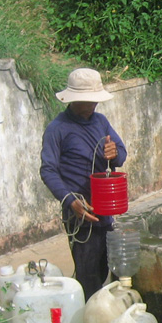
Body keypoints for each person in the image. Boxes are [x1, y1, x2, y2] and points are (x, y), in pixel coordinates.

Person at [40, 68, 127, 300]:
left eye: (94, 101)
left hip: (105, 206)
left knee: (110, 268)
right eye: (87, 101)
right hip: (80, 213)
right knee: (88, 275)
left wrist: (114, 153)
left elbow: (121, 154)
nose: (92, 106)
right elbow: (48, 170)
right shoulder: (57, 129)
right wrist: (70, 200)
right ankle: (88, 322)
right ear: (73, 99)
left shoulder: (101, 121)